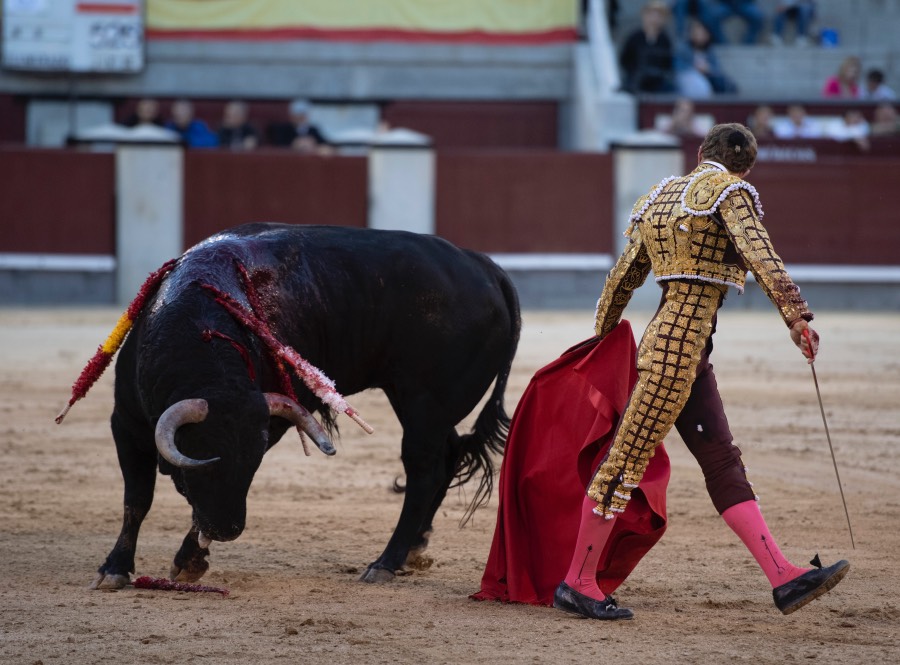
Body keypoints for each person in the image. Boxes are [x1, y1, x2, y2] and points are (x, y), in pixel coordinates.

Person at [552, 123, 849, 620]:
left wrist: (602, 336)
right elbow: (762, 256)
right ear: (747, 165)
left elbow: (621, 279)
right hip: (679, 349)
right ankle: (577, 582)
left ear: (700, 152)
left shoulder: (658, 199)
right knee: (626, 461)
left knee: (720, 458)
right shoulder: (732, 192)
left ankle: (784, 576)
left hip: (681, 348)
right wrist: (796, 317)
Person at [619, 1, 677, 94]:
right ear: (644, 16)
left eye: (658, 16)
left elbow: (667, 62)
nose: (654, 19)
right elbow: (625, 59)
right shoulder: (634, 37)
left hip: (658, 80)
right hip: (637, 78)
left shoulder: (664, 39)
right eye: (651, 15)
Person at [675, 19, 739, 98]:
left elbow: (717, 69)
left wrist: (708, 69)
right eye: (697, 33)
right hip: (688, 79)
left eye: (702, 33)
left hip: (709, 78)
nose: (699, 36)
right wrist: (695, 68)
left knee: (726, 83)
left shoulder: (709, 51)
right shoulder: (683, 49)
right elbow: (678, 67)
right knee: (697, 83)